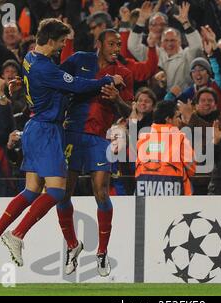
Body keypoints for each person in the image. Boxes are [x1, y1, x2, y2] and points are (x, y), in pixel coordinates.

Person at [0, 19, 122, 273]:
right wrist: (106, 79)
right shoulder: (47, 68)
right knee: (56, 192)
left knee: (32, 189)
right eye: (61, 42)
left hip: (34, 128)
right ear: (52, 40)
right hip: (47, 130)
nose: (62, 47)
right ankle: (18, 234)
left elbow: (35, 77)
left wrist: (22, 83)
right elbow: (78, 85)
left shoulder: (29, 58)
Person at [59, 29, 133, 277]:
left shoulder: (124, 73)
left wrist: (116, 98)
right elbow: (58, 80)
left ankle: (102, 252)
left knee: (101, 193)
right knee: (61, 193)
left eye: (119, 44)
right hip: (71, 134)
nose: (116, 48)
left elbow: (128, 110)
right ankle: (72, 245)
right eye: (111, 43)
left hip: (100, 139)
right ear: (98, 44)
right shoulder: (79, 60)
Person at [135, 100, 196, 196]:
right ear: (168, 119)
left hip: (144, 191)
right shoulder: (180, 138)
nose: (179, 120)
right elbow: (191, 169)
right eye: (177, 117)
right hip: (174, 192)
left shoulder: (143, 139)